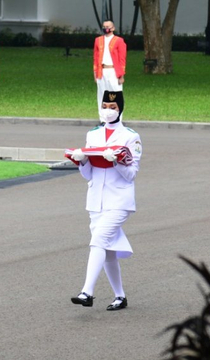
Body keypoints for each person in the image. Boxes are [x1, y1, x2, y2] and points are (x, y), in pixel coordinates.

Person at [69, 91, 142, 311]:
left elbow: (131, 174)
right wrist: (81, 161)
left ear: (120, 109)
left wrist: (116, 161)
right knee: (108, 250)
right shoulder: (93, 134)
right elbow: (89, 175)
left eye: (113, 106)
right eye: (105, 105)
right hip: (96, 200)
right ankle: (120, 296)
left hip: (119, 199)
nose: (108, 110)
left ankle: (87, 292)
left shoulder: (131, 136)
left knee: (99, 241)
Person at [93, 21, 126, 112]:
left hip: (114, 71)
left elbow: (122, 59)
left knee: (116, 94)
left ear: (113, 28)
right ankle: (103, 119)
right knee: (101, 94)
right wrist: (95, 73)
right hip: (101, 70)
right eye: (104, 26)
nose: (106, 28)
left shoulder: (119, 41)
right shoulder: (98, 40)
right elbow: (95, 58)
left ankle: (117, 118)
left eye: (108, 26)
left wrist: (121, 75)